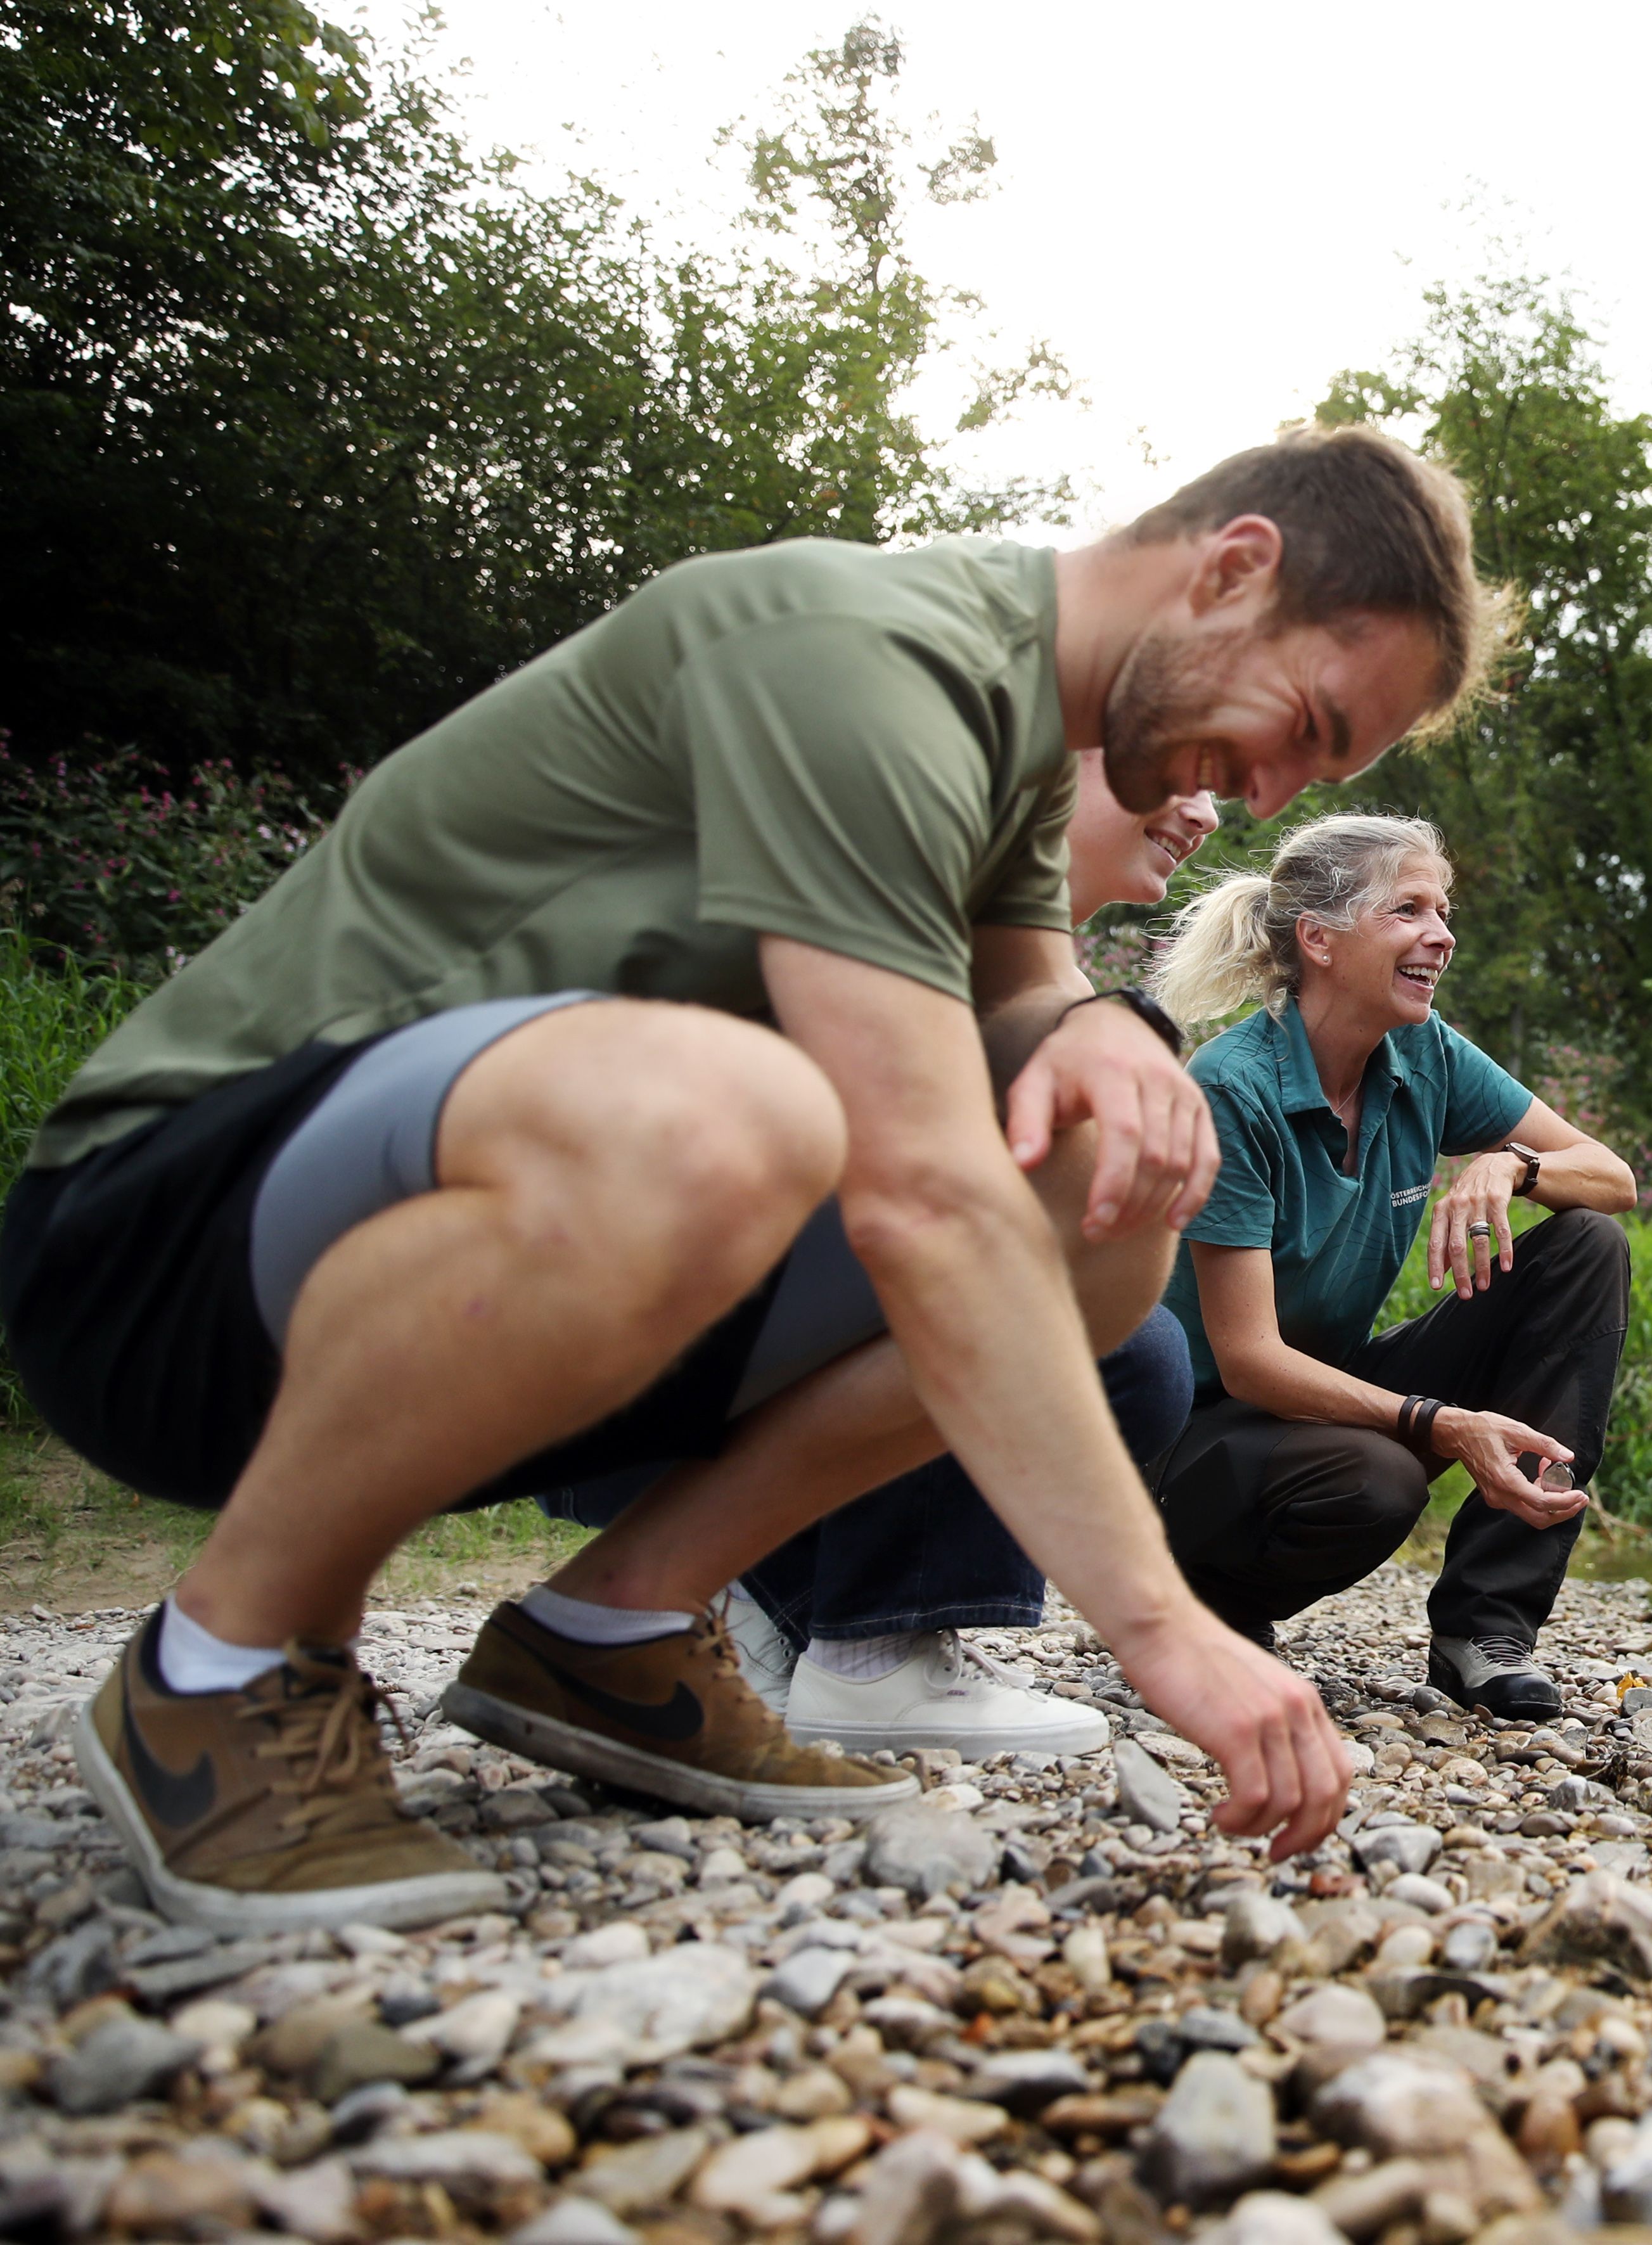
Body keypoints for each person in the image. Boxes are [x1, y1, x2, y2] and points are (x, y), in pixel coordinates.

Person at [1, 424, 1505, 1931]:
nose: (1267, 797)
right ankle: (222, 1662)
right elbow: (921, 1190)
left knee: (1111, 1174)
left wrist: (1104, 1028)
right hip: (163, 1250)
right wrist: (1160, 1627)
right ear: (1234, 569)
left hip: (478, 1298)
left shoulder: (1019, 739)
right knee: (749, 1115)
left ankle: (616, 1627)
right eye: (1306, 724)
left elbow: (1031, 985)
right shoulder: (862, 653)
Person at [534, 784, 1223, 1760]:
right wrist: (1162, 1628)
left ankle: (760, 1612)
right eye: (1184, 770)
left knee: (1130, 1341)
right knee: (1084, 1303)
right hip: (603, 1343)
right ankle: (868, 1653)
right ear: (1065, 759)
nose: (1208, 813)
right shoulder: (907, 910)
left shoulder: (1019, 959)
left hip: (699, 1332)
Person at [1145, 813, 1636, 1722]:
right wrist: (1441, 1423)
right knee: (1378, 1483)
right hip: (1190, 1433)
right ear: (1319, 940)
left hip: (1319, 1392)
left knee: (1583, 1246)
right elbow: (1249, 1360)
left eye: (1443, 911)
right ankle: (1210, 1598)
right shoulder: (1231, 1088)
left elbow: (1614, 1181)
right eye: (1408, 910)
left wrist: (1515, 1167)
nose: (1442, 935)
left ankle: (1484, 1631)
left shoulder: (1425, 1052)